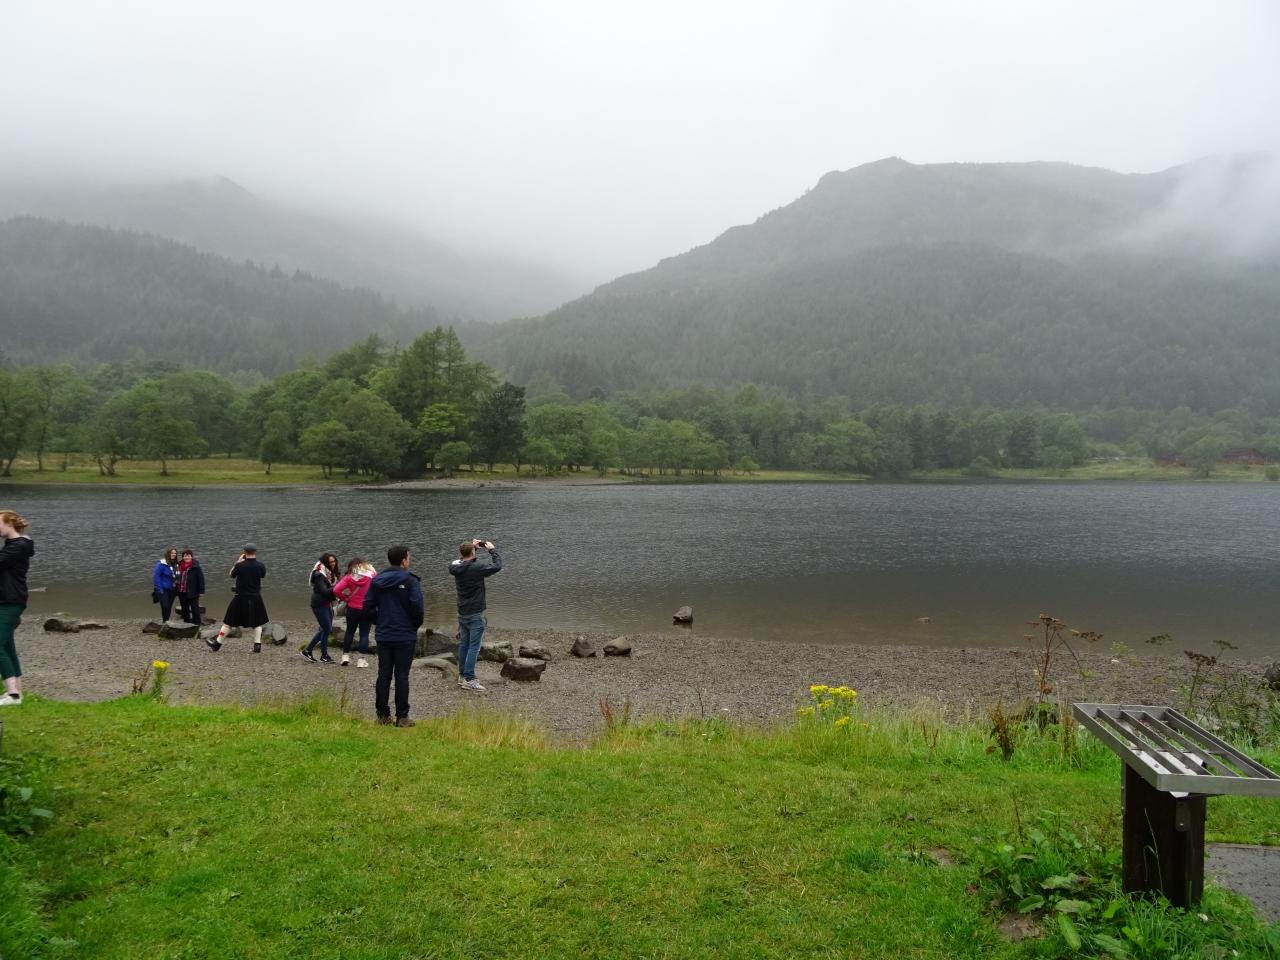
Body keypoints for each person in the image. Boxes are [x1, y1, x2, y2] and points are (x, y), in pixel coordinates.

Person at [368, 545, 423, 727]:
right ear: (403, 561)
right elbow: (417, 606)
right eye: (409, 558)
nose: (409, 561)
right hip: (405, 635)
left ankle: (382, 715)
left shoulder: (376, 581)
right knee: (402, 675)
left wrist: (379, 621)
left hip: (384, 633)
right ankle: (402, 717)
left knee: (383, 674)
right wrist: (414, 625)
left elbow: (367, 606)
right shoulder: (410, 581)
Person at [449, 538, 503, 693]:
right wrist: (491, 550)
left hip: (462, 612)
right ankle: (469, 679)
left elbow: (463, 561)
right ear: (472, 552)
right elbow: (497, 565)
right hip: (475, 613)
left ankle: (462, 676)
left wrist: (472, 550)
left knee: (464, 645)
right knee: (474, 647)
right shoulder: (477, 568)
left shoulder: (454, 567)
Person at [206, 544, 270, 653]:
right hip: (256, 597)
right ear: (255, 552)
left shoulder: (240, 565)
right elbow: (262, 575)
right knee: (257, 622)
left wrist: (238, 562)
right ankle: (257, 645)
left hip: (240, 597)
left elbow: (231, 574)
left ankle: (217, 644)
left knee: (228, 622)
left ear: (244, 552)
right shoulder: (261, 565)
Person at [0, 510, 34, 707]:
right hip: (7, 600)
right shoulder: (13, 545)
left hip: (10, 602)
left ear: (9, 524)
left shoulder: (18, 546)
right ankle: (17, 693)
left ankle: (12, 695)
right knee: (7, 647)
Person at [331, 558, 376, 667]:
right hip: (366, 608)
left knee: (350, 632)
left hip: (352, 608)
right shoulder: (372, 575)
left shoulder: (349, 577)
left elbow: (336, 590)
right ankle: (361, 660)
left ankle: (345, 657)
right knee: (364, 634)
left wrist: (345, 598)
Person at [302, 552, 339, 663]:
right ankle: (317, 653)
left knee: (325, 629)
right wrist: (338, 587)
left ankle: (317, 653)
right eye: (330, 562)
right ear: (325, 562)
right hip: (318, 604)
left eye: (334, 561)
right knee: (326, 629)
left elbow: (330, 590)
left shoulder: (330, 573)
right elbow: (324, 591)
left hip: (327, 603)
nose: (333, 563)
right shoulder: (319, 574)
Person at [176, 549, 205, 625]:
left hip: (193, 591)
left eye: (188, 556)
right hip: (181, 591)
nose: (187, 557)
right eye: (185, 556)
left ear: (191, 557)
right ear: (183, 557)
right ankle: (186, 622)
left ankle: (197, 623)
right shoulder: (178, 565)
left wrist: (201, 591)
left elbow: (201, 579)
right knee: (184, 608)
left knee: (194, 608)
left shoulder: (195, 566)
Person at [152, 546, 179, 623]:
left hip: (172, 590)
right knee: (165, 606)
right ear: (168, 553)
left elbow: (177, 576)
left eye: (175, 553)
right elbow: (156, 577)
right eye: (171, 553)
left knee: (169, 606)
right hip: (162, 589)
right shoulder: (161, 564)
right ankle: (165, 621)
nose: (173, 554)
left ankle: (166, 621)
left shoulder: (176, 564)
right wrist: (160, 590)